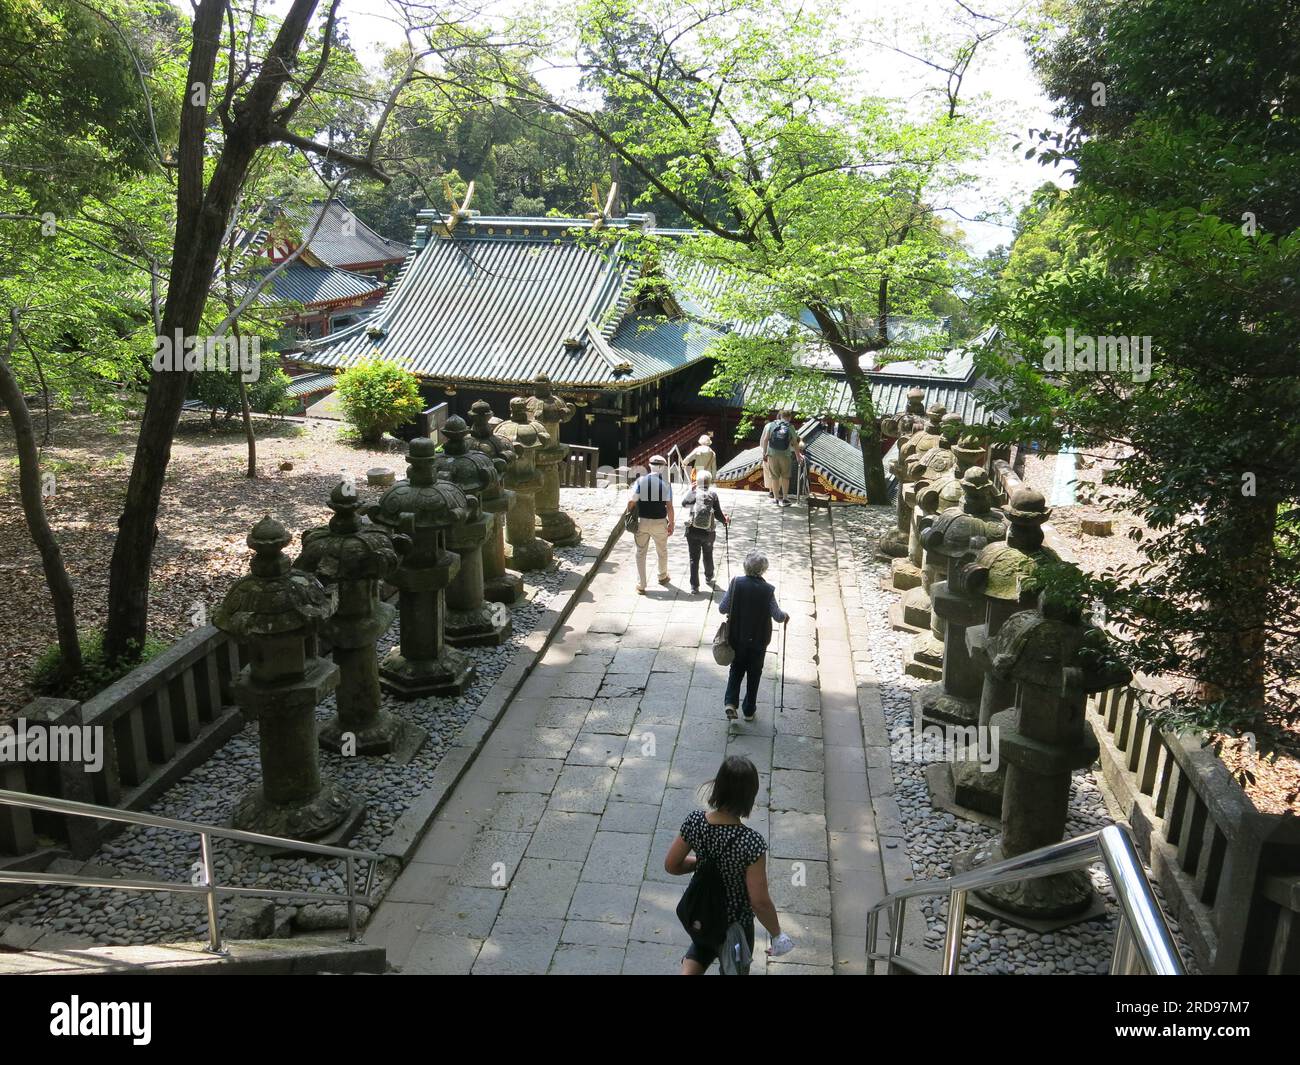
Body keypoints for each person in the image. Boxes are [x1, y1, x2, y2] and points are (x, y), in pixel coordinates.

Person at [664, 755, 794, 975]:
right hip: (734, 925)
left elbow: (672, 865)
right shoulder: (750, 843)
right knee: (734, 966)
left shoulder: (695, 821)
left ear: (718, 786)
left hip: (700, 912)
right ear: (749, 797)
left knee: (703, 946)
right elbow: (759, 901)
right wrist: (777, 934)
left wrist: (702, 863)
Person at [717, 550, 789, 721]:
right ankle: (749, 711)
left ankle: (730, 702)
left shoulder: (736, 583)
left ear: (745, 567)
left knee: (736, 670)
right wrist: (785, 615)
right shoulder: (767, 590)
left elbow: (722, 608)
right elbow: (778, 616)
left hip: (737, 638)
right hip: (758, 641)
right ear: (763, 570)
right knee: (754, 674)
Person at [627, 454, 675, 593]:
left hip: (642, 521)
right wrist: (671, 523)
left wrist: (629, 514)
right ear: (662, 468)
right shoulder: (666, 484)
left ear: (650, 466)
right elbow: (669, 507)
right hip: (660, 522)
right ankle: (662, 576)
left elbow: (632, 501)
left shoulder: (640, 481)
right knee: (662, 550)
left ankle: (641, 585)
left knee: (640, 552)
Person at [679, 469, 728, 593]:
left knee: (693, 558)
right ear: (709, 482)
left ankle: (694, 586)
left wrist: (691, 490)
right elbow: (718, 514)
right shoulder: (713, 495)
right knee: (708, 553)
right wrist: (725, 520)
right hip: (708, 532)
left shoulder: (694, 493)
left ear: (697, 481)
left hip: (692, 531)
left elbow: (684, 504)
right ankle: (709, 575)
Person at [760, 409, 798, 506]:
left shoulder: (771, 425)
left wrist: (764, 453)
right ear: (789, 417)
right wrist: (798, 456)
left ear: (779, 416)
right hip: (785, 455)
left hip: (772, 454)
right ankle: (785, 498)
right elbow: (795, 443)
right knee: (785, 477)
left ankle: (776, 499)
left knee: (774, 477)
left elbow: (765, 440)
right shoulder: (790, 427)